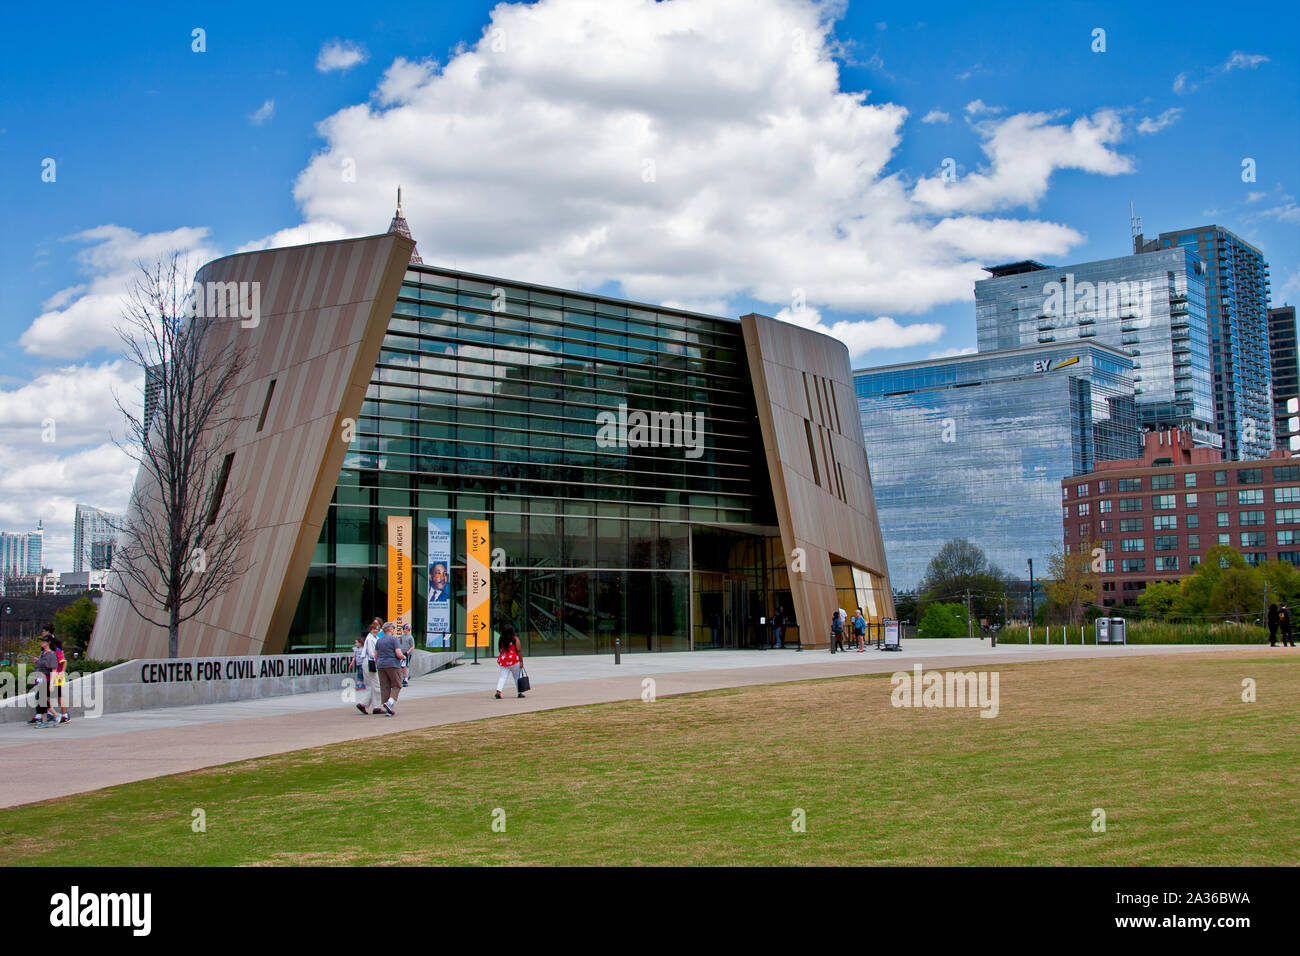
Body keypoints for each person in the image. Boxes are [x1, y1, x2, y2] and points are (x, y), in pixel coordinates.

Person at [374, 622, 406, 716]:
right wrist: (404, 657)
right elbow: (398, 653)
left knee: (385, 686)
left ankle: (387, 707)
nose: (394, 630)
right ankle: (390, 702)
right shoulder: (394, 639)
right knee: (397, 685)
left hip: (381, 665)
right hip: (393, 664)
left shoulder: (379, 640)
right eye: (393, 628)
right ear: (390, 629)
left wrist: (377, 663)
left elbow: (375, 654)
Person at [356, 619, 384, 715]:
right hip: (370, 662)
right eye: (374, 629)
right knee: (377, 686)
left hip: (370, 662)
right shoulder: (370, 639)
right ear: (370, 630)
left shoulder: (374, 638)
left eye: (377, 629)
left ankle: (363, 704)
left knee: (374, 686)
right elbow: (372, 653)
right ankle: (376, 707)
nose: (375, 630)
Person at [30, 636, 58, 728]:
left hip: (47, 679)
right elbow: (41, 665)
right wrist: (37, 661)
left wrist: (51, 684)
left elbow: (53, 669)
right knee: (41, 699)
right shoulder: (42, 654)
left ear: (48, 642)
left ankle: (51, 717)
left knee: (42, 699)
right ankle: (51, 717)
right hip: (40, 679)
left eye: (43, 641)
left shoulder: (52, 654)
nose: (42, 643)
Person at [495, 625, 525, 699]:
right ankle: (519, 692)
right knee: (517, 677)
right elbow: (518, 650)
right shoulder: (515, 639)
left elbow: (500, 649)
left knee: (503, 677)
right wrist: (521, 661)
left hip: (504, 660)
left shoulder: (501, 639)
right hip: (514, 661)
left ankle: (498, 692)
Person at [50, 634, 70, 722]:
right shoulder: (53, 652)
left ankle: (64, 714)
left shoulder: (57, 651)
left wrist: (62, 672)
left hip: (58, 676)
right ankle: (62, 714)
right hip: (54, 675)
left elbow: (64, 662)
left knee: (58, 695)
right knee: (56, 695)